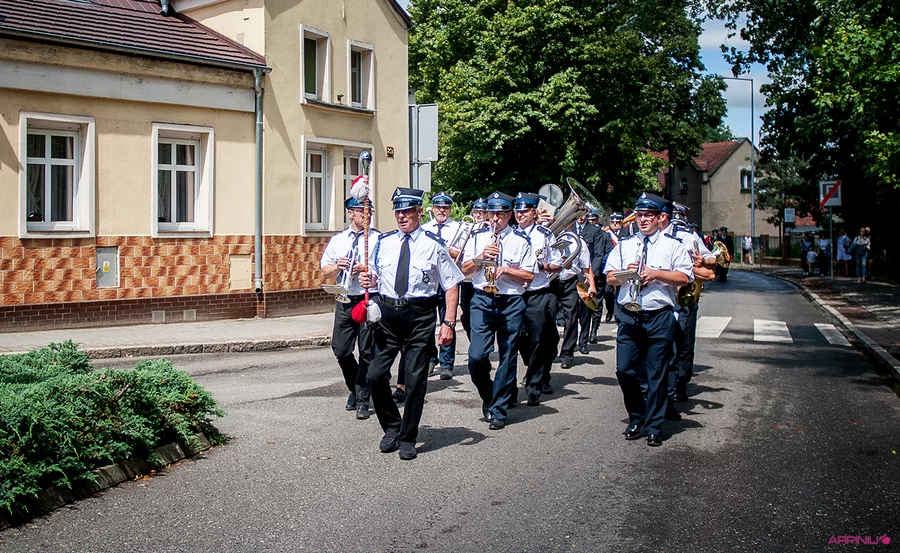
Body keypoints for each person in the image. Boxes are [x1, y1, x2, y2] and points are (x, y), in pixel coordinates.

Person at [359, 188, 464, 460]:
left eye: (407, 211)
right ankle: (392, 426)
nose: (402, 216)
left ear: (419, 212)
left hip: (419, 316)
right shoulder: (384, 242)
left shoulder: (433, 244)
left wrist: (448, 322)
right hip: (388, 316)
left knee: (415, 381)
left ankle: (408, 436)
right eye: (398, 211)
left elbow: (451, 284)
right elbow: (374, 276)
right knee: (374, 376)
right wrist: (368, 280)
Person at [604, 192, 693, 447]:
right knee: (624, 370)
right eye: (639, 215)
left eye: (648, 216)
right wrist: (627, 273)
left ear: (659, 218)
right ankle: (637, 415)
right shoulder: (625, 245)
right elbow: (609, 277)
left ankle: (653, 426)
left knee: (656, 374)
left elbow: (685, 277)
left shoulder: (672, 245)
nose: (643, 220)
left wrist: (655, 274)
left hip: (659, 316)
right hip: (629, 315)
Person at [462, 191, 536, 430]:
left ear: (509, 215)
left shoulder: (520, 240)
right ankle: (489, 394)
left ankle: (498, 410)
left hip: (510, 302)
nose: (494, 219)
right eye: (491, 213)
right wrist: (481, 257)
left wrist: (506, 271)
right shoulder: (476, 237)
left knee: (508, 355)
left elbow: (529, 276)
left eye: (500, 214)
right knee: (476, 356)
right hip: (482, 299)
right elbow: (463, 269)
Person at [319, 197, 380, 420]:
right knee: (341, 350)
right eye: (362, 211)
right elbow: (325, 270)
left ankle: (363, 399)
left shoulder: (378, 239)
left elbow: (385, 269)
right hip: (344, 298)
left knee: (367, 351)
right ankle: (355, 387)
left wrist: (365, 269)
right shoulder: (338, 240)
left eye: (369, 211)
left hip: (367, 298)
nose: (367, 214)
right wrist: (338, 266)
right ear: (350, 213)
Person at [662, 202, 717, 408]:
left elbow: (710, 259)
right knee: (668, 344)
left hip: (686, 297)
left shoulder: (690, 236)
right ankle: (666, 386)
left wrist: (703, 260)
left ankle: (682, 382)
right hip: (667, 296)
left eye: (679, 217)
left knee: (685, 342)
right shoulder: (655, 237)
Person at [512, 192, 562, 405]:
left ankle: (534, 385)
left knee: (537, 339)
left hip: (537, 292)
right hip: (515, 293)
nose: (520, 214)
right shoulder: (510, 234)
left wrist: (541, 265)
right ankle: (533, 372)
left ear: (534, 213)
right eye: (517, 211)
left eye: (524, 211)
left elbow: (558, 264)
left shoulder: (545, 235)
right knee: (517, 339)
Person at [421, 192, 462, 380]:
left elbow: (464, 254)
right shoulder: (424, 228)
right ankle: (431, 358)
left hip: (448, 281)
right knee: (427, 323)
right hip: (429, 280)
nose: (441, 210)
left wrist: (450, 251)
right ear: (433, 208)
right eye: (438, 207)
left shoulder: (458, 228)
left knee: (448, 320)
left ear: (450, 209)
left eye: (445, 207)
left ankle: (446, 363)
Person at [555, 233, 596, 369]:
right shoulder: (549, 237)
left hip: (570, 282)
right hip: (551, 282)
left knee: (571, 318)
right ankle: (550, 349)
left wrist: (592, 285)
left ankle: (567, 355)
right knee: (547, 318)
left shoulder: (579, 241)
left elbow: (586, 267)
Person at [573, 213, 609, 352]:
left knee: (585, 311)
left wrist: (591, 274)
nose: (581, 217)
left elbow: (598, 254)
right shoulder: (570, 229)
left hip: (587, 274)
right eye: (578, 214)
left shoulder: (595, 230)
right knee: (571, 312)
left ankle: (583, 342)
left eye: (583, 214)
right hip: (571, 274)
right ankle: (570, 344)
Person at [459, 198, 489, 341]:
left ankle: (480, 344)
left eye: (482, 212)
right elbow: (456, 249)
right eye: (476, 212)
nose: (478, 215)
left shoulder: (489, 230)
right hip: (466, 278)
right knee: (466, 316)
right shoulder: (465, 228)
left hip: (482, 279)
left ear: (487, 214)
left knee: (481, 316)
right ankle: (474, 342)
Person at [603, 212, 624, 323]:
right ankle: (610, 310)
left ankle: (618, 314)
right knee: (608, 292)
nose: (615, 224)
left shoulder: (627, 233)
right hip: (610, 266)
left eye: (617, 222)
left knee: (620, 291)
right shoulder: (606, 234)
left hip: (622, 266)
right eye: (613, 222)